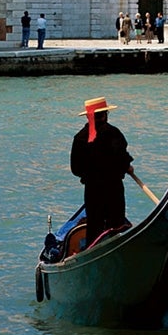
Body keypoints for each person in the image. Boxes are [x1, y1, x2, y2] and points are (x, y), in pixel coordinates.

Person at [70, 97, 134, 249]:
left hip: (92, 190)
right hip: (113, 188)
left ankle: (93, 250)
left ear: (88, 116)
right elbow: (121, 157)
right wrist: (127, 167)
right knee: (115, 225)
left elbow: (76, 169)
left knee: (95, 225)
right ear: (105, 114)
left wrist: (91, 174)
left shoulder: (79, 138)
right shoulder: (113, 133)